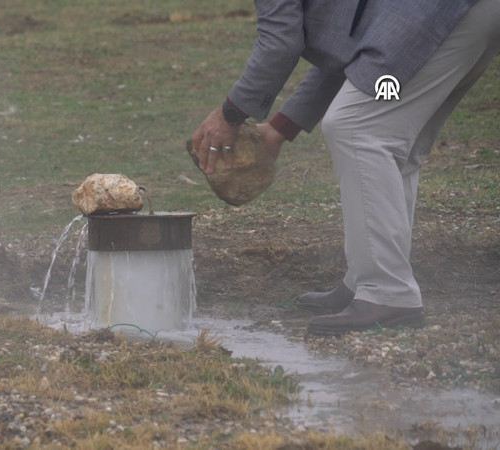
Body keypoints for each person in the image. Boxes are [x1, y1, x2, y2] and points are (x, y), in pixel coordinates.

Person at [191, 0, 500, 335]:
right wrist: (280, 129)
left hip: (433, 15)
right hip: (467, 14)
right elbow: (350, 51)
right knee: (394, 145)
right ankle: (366, 280)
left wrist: (230, 114)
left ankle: (386, 291)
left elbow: (280, 42)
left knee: (357, 127)